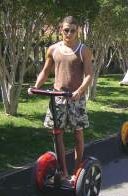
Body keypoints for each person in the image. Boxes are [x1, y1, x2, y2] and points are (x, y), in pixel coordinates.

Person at [28, 16, 92, 185]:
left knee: (78, 134)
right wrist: (35, 87)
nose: (69, 33)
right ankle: (63, 172)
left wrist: (79, 91)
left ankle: (77, 173)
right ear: (60, 30)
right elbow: (45, 71)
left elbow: (89, 76)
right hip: (57, 98)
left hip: (75, 98)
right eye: (66, 30)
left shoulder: (82, 50)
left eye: (72, 30)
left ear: (77, 31)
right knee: (58, 134)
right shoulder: (53, 49)